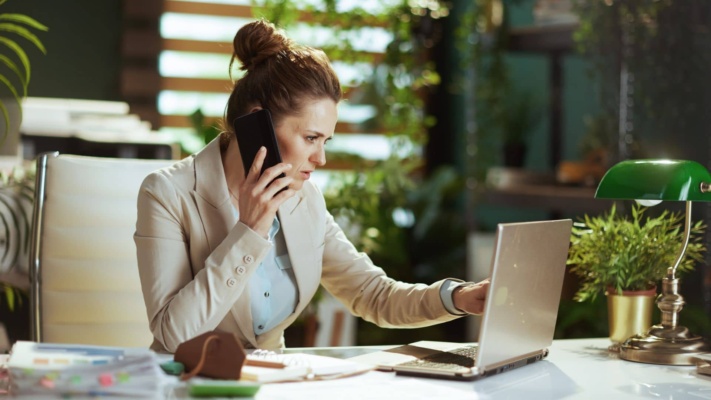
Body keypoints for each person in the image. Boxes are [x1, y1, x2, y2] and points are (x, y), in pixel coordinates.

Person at [135, 19, 490, 353]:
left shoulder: (303, 200)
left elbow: (372, 294)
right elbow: (173, 334)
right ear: (256, 122)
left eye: (326, 141)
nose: (320, 158)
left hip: (272, 385)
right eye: (310, 137)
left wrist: (458, 297)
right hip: (186, 384)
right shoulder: (168, 194)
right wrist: (250, 230)